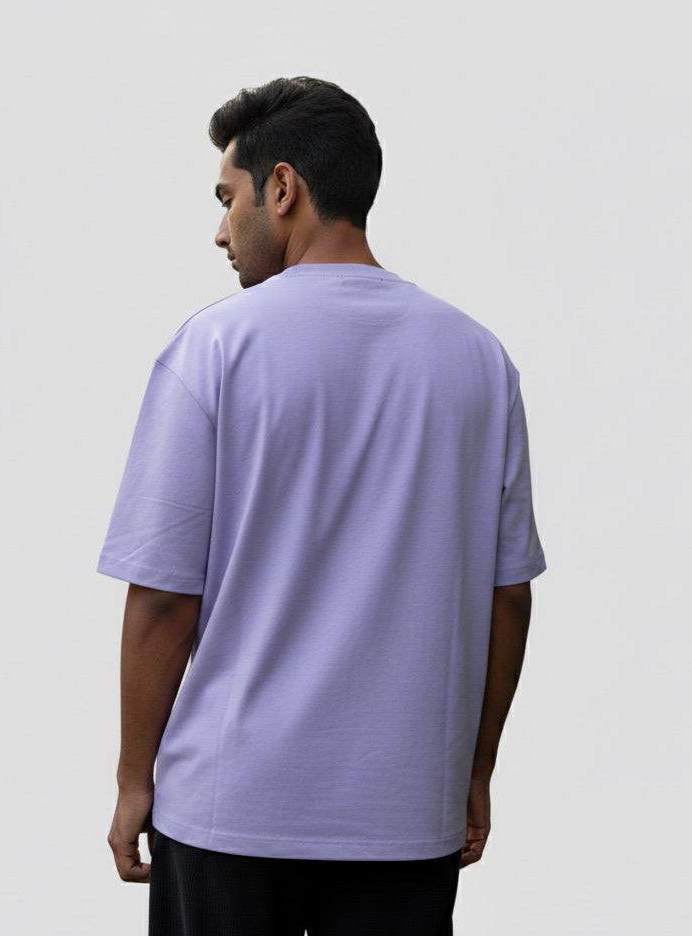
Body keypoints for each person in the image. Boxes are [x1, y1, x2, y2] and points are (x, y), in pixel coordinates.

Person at [97, 75, 547, 936]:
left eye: (227, 199)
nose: (221, 230)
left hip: (227, 809)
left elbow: (162, 600)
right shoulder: (477, 360)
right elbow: (509, 598)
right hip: (405, 814)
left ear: (283, 188)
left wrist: (131, 779)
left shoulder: (216, 348)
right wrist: (474, 769)